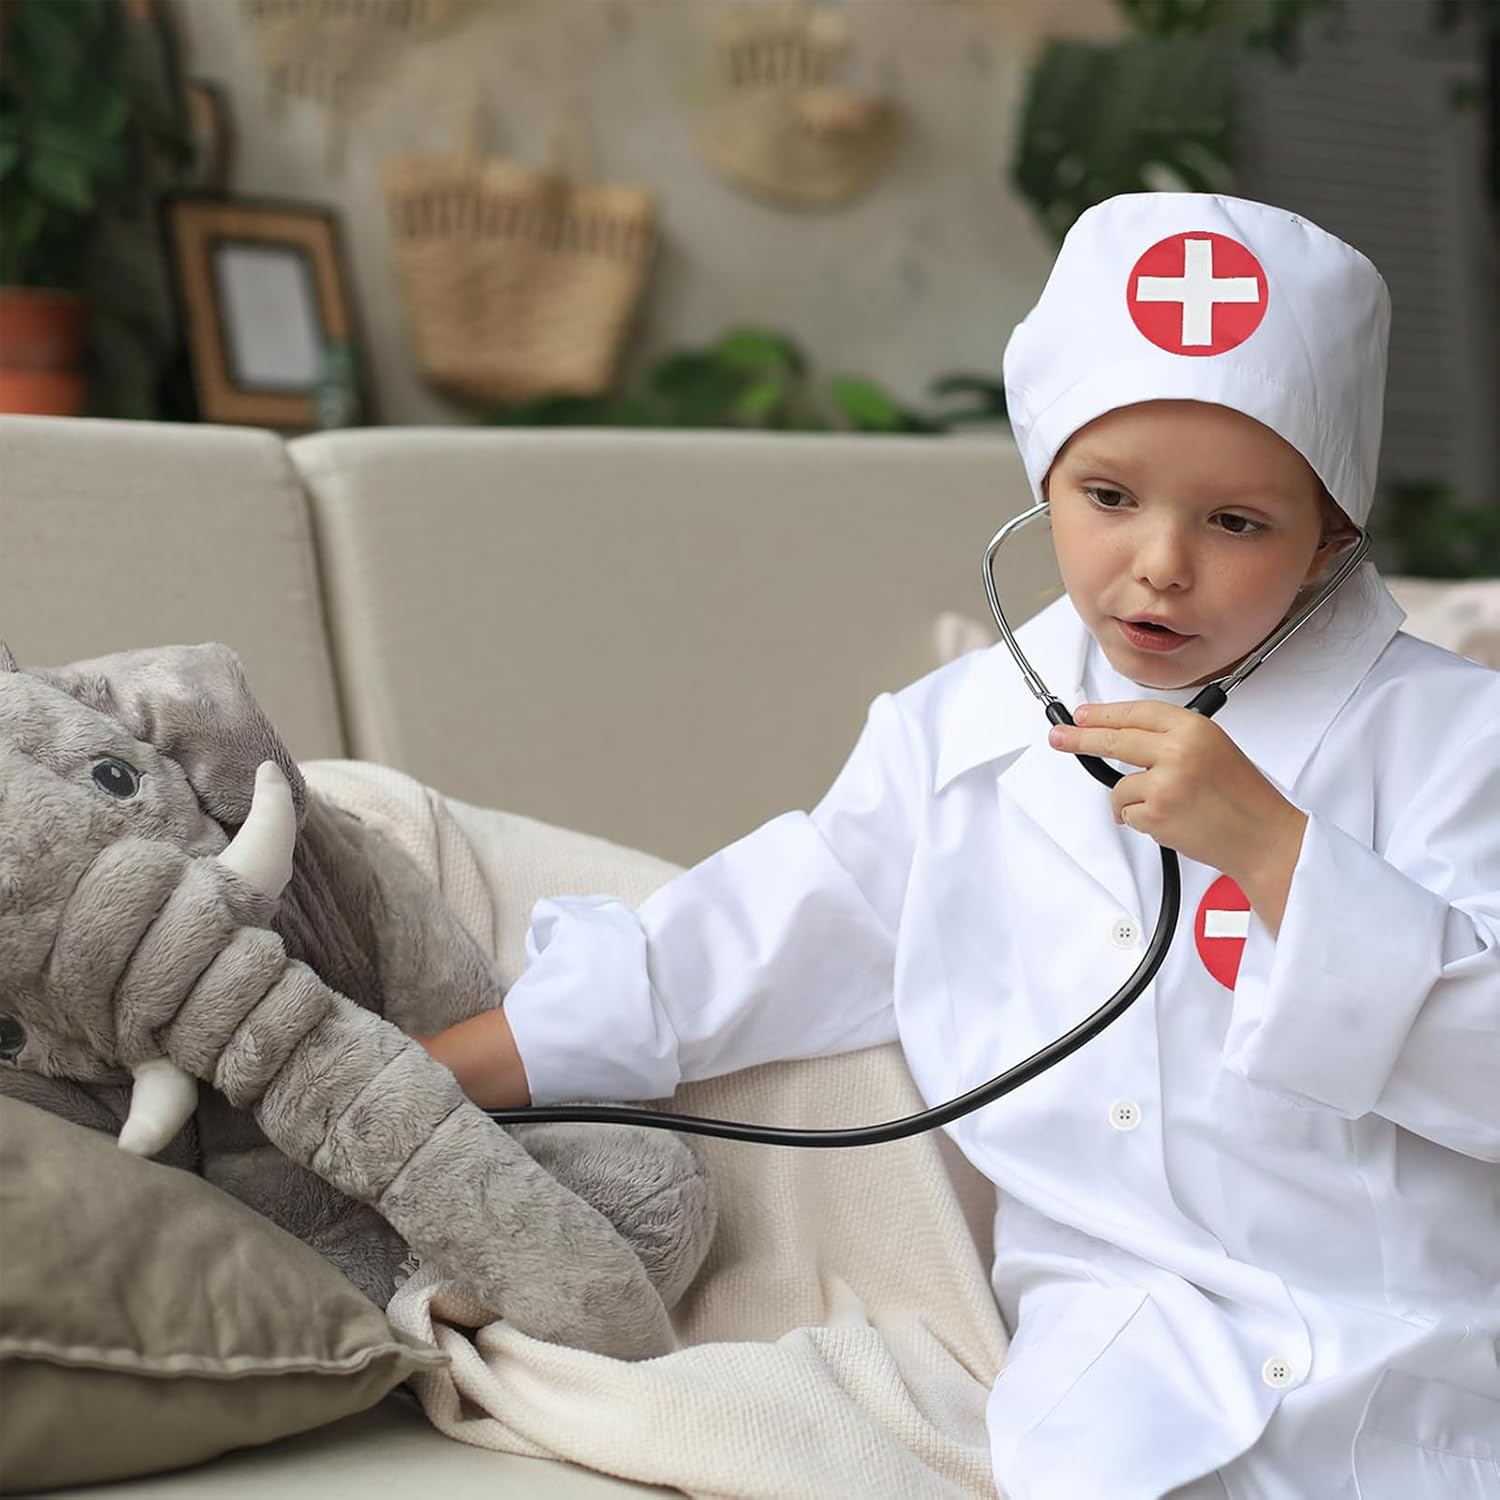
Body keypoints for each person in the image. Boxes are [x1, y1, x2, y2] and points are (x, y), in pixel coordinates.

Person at [418, 194, 1500, 1499]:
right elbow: (746, 942)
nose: (1160, 565)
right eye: (1109, 497)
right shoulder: (957, 737)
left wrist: (1277, 856)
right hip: (1122, 1380)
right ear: (1043, 480)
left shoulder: (1456, 742)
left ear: (1329, 541)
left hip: (1424, 1358)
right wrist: (422, 1080)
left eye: (1237, 523)